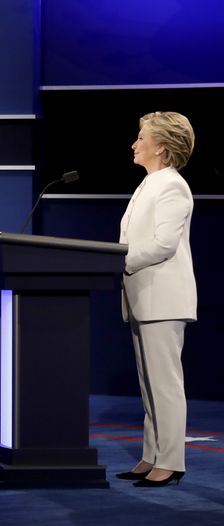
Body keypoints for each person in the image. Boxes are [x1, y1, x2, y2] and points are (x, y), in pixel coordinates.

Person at [116, 111, 196, 487]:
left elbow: (163, 245)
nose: (135, 144)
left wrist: (120, 260)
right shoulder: (150, 183)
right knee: (149, 383)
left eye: (141, 138)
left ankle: (171, 461)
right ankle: (151, 455)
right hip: (143, 297)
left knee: (165, 384)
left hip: (163, 298)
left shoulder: (172, 186)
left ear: (161, 147)